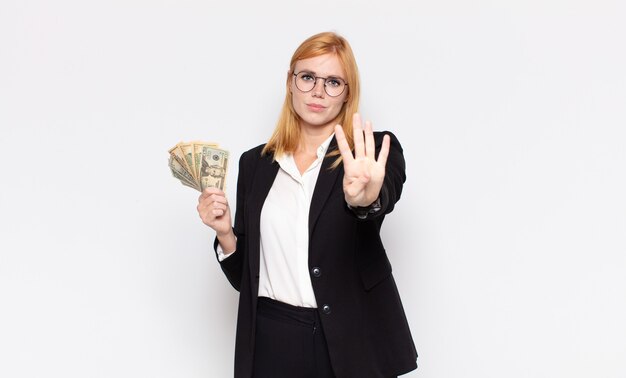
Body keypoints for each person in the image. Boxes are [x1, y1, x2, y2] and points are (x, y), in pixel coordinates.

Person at [197, 31, 418, 378]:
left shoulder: (370, 153)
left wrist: (364, 200)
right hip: (271, 336)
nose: (318, 91)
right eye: (307, 77)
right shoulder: (255, 163)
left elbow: (380, 196)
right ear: (290, 82)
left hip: (346, 339)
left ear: (347, 94)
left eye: (333, 82)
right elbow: (247, 279)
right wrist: (225, 234)